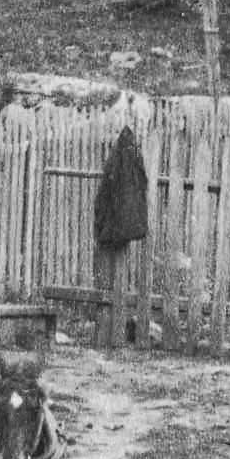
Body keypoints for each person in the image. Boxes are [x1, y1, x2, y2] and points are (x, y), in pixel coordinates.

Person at [89, 120, 154, 347]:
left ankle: (113, 332)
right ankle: (109, 332)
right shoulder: (127, 160)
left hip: (116, 229)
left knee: (114, 278)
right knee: (111, 279)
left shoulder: (122, 161)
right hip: (117, 231)